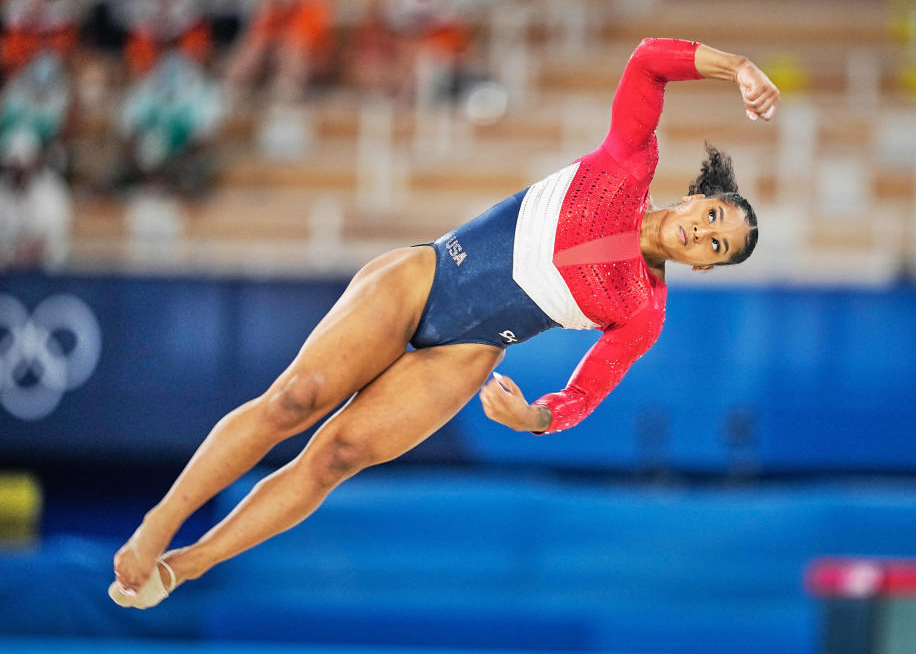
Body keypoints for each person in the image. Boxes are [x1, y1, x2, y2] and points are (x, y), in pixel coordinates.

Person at [109, 37, 779, 608]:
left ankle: (187, 564)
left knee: (335, 457)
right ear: (699, 196)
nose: (704, 233)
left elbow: (584, 393)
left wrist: (535, 418)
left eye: (717, 246)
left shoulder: (644, 310)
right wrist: (739, 67)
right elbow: (649, 61)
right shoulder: (629, 163)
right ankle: (157, 525)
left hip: (467, 354)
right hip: (427, 278)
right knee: (295, 399)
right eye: (715, 216)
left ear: (706, 267)